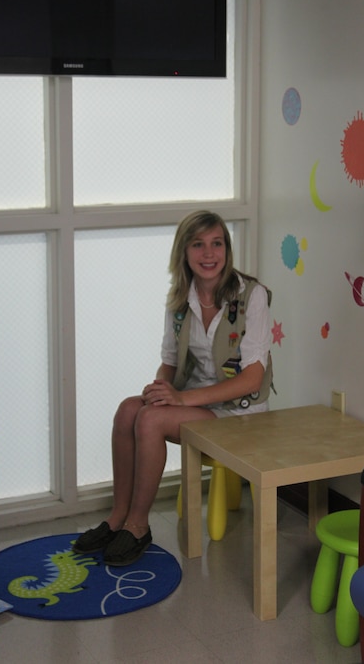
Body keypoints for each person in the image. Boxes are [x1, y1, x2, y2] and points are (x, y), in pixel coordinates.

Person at [73, 210, 272, 566]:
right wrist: (160, 390)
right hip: (197, 403)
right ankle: (118, 518)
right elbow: (170, 361)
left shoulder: (252, 296)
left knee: (150, 421)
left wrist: (179, 399)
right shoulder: (181, 296)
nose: (209, 254)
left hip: (241, 413)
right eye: (198, 245)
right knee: (129, 410)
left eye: (217, 244)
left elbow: (253, 378)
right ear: (184, 251)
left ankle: (138, 526)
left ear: (227, 249)